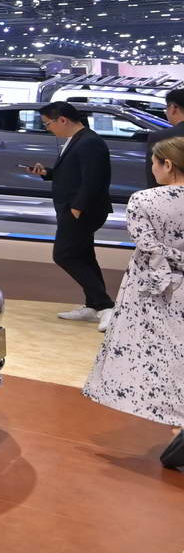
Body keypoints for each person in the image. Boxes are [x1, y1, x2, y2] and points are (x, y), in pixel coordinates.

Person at [83, 135, 184, 471]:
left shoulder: (144, 200)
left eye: (154, 163)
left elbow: (147, 245)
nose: (152, 169)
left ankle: (177, 419)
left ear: (167, 164)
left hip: (155, 290)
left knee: (158, 353)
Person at [23, 101, 115, 323]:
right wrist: (47, 173)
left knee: (64, 255)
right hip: (75, 208)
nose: (48, 128)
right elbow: (73, 173)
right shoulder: (78, 139)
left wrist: (76, 208)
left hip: (82, 210)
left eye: (48, 124)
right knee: (84, 256)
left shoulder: (89, 142)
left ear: (62, 119)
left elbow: (94, 180)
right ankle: (93, 306)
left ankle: (106, 306)